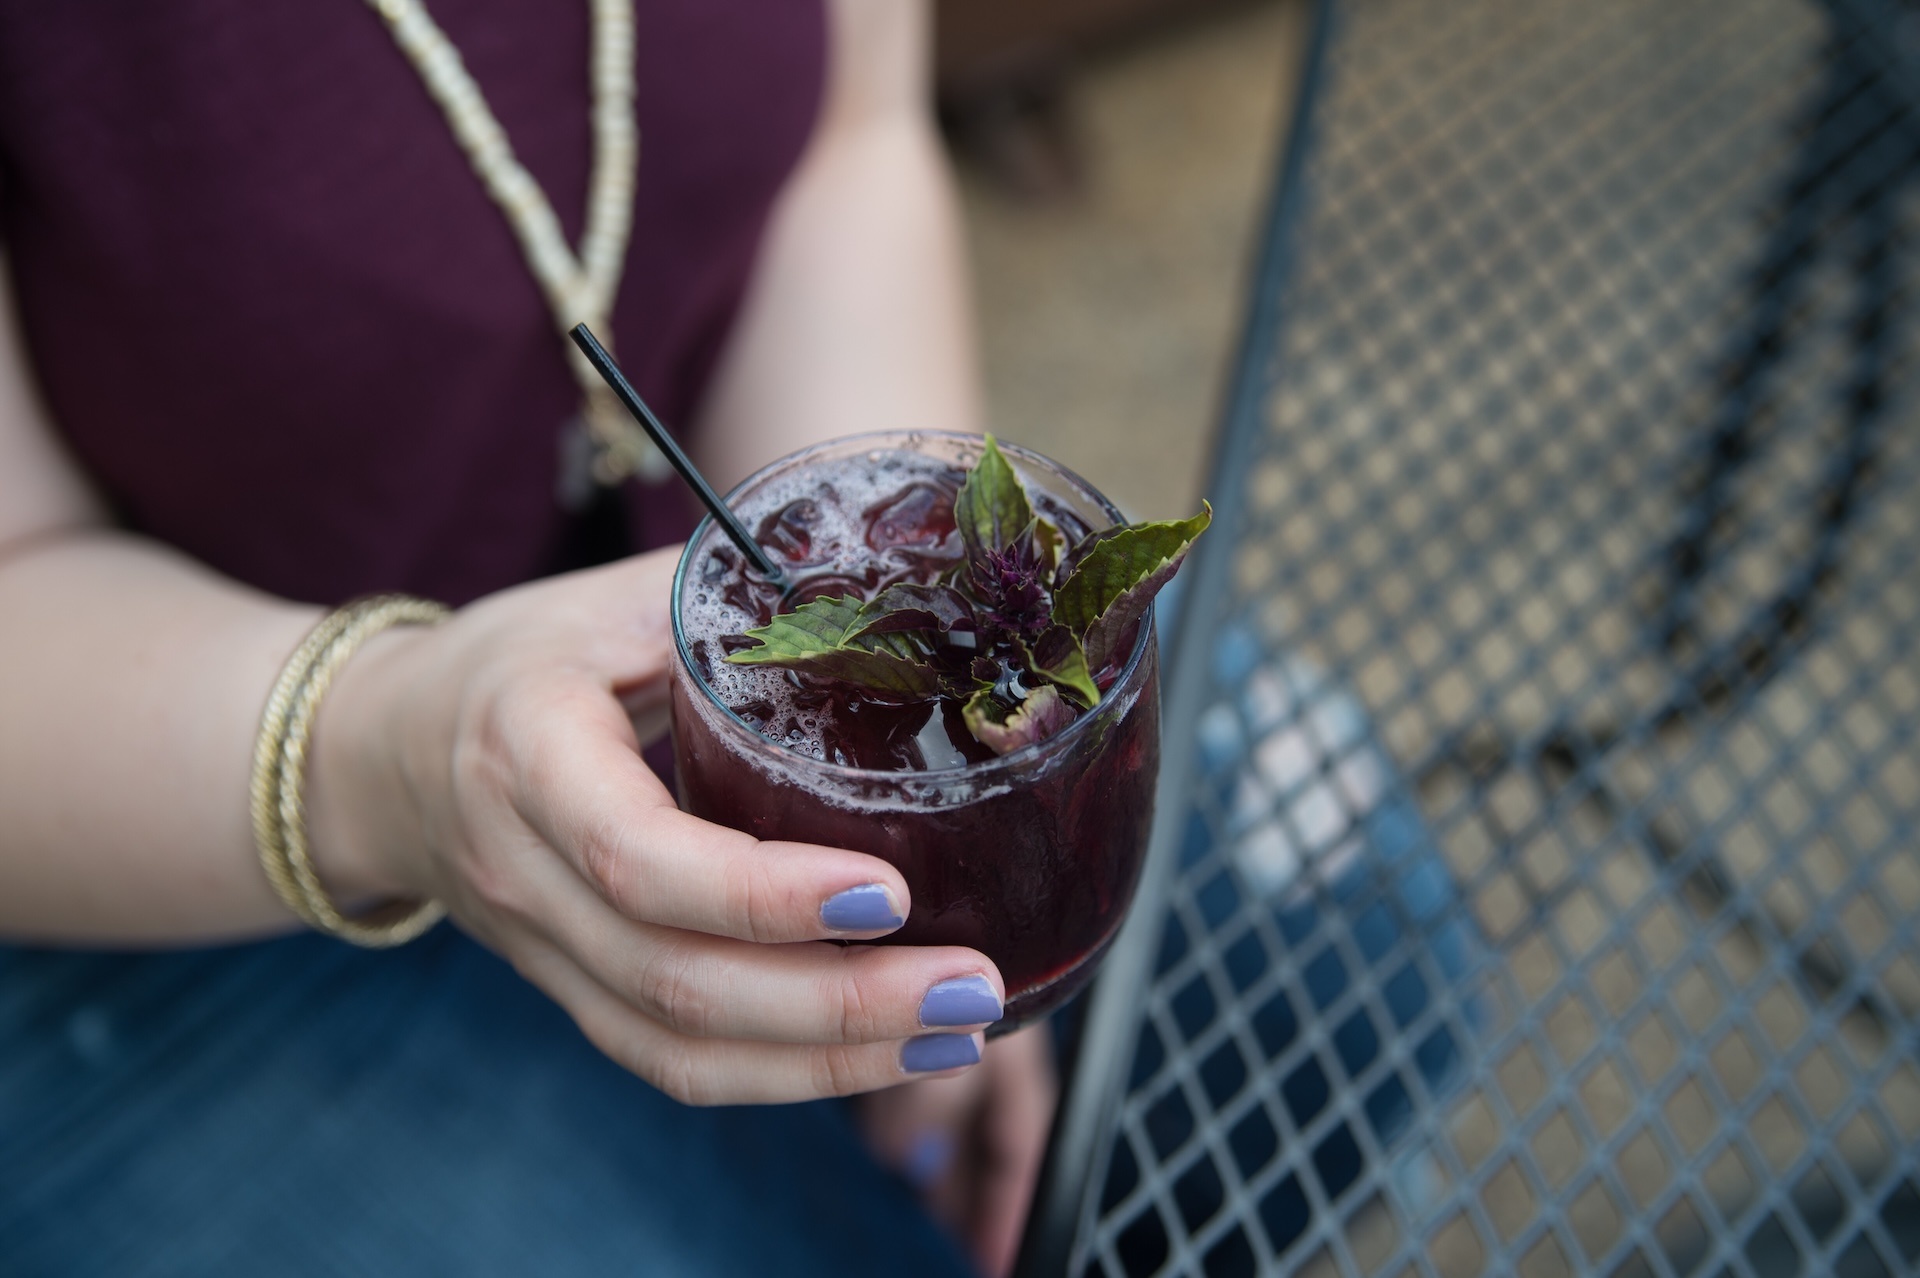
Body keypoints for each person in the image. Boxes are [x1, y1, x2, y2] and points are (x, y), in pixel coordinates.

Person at [0, 2, 1055, 1274]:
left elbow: (848, 141)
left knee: (1332, 974)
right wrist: (393, 753)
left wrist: (901, 806)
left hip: (688, 692)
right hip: (152, 837)